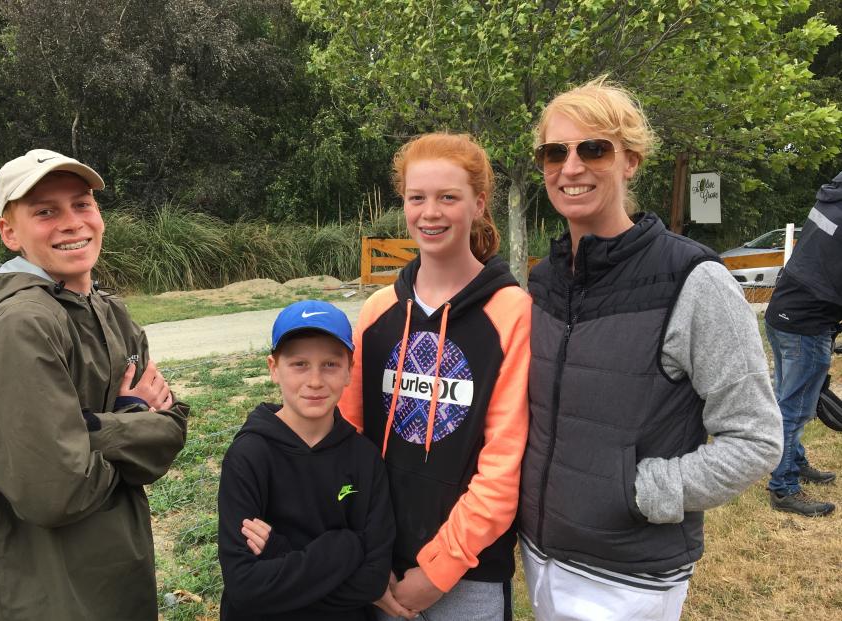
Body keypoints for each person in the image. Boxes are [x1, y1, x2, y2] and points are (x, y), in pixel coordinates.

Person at [517, 77, 783, 621]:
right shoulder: (543, 283)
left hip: (627, 577)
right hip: (540, 556)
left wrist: (639, 492)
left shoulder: (693, 280)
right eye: (554, 152)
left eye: (593, 148)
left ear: (631, 160)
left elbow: (755, 439)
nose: (571, 167)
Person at [0, 149, 189, 621]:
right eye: (45, 211)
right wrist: (135, 417)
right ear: (9, 232)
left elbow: (173, 427)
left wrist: (84, 432)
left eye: (82, 204)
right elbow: (55, 488)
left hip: (113, 568)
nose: (72, 222)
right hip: (40, 589)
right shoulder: (22, 325)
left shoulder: (109, 310)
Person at [340, 133, 531, 620]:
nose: (431, 212)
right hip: (380, 564)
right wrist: (366, 550)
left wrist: (439, 569)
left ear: (479, 204)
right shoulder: (378, 312)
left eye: (448, 197)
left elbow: (503, 465)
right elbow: (348, 441)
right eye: (416, 197)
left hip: (469, 574)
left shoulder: (511, 313)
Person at [217, 299, 397, 620]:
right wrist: (345, 547)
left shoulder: (364, 459)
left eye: (330, 364)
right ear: (274, 369)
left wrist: (278, 553)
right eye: (299, 364)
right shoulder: (249, 456)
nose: (315, 380)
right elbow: (244, 586)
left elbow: (372, 581)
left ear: (349, 371)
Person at [764, 170, 842, 517]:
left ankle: (795, 461)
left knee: (787, 401)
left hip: (784, 311)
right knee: (793, 409)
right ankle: (783, 488)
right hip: (806, 323)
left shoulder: (832, 197)